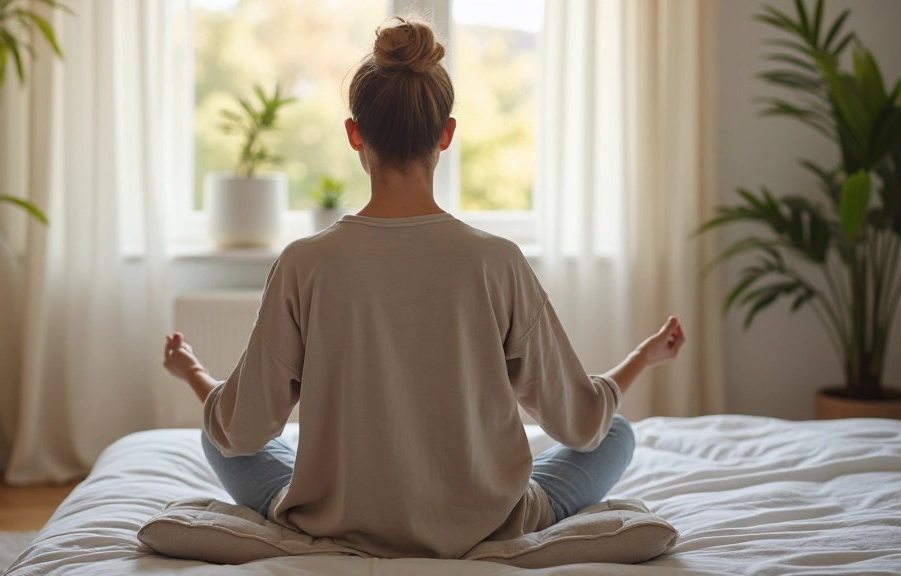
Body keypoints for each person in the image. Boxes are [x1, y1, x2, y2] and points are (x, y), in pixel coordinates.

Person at [163, 16, 685, 560]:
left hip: (334, 523)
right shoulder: (497, 261)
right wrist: (641, 359)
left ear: (353, 133)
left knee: (214, 437)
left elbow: (238, 431)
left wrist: (194, 373)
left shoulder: (304, 263)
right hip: (489, 525)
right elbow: (582, 424)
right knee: (617, 433)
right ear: (447, 134)